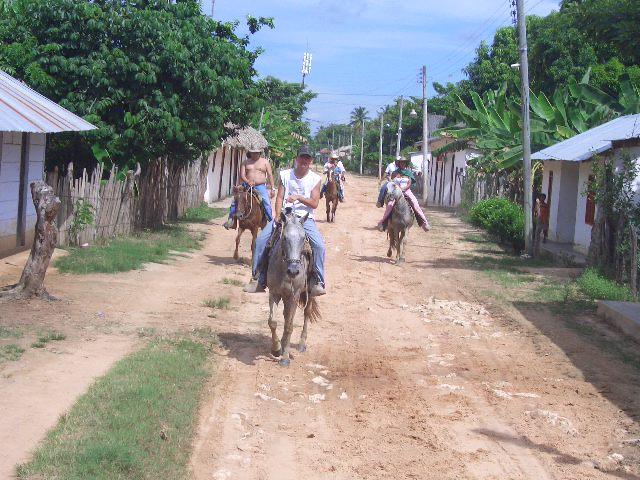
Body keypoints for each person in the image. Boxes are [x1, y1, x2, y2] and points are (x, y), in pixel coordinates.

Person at [244, 144, 326, 296]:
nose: (304, 161)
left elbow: (314, 203)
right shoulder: (285, 175)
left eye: (307, 158)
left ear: (311, 160)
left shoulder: (315, 179)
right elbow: (280, 197)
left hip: (304, 219)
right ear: (297, 158)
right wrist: (277, 214)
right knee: (261, 240)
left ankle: (318, 281)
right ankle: (257, 279)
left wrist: (299, 197)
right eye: (302, 157)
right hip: (285, 216)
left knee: (319, 246)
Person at [223, 144, 276, 230]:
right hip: (246, 185)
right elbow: (242, 175)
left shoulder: (265, 162)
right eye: (253, 153)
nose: (254, 154)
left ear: (259, 153)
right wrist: (248, 181)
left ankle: (271, 223)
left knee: (266, 202)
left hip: (260, 186)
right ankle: (231, 220)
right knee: (236, 200)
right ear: (250, 153)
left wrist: (273, 188)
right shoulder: (245, 162)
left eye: (256, 153)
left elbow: (270, 175)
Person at [377, 157, 430, 232]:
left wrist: (404, 189)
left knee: (416, 204)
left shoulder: (409, 172)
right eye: (401, 162)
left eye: (404, 162)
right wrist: (396, 188)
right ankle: (383, 223)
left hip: (406, 191)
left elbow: (409, 183)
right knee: (390, 205)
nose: (402, 164)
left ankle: (424, 223)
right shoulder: (395, 172)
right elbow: (392, 181)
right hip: (396, 191)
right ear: (398, 163)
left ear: (406, 163)